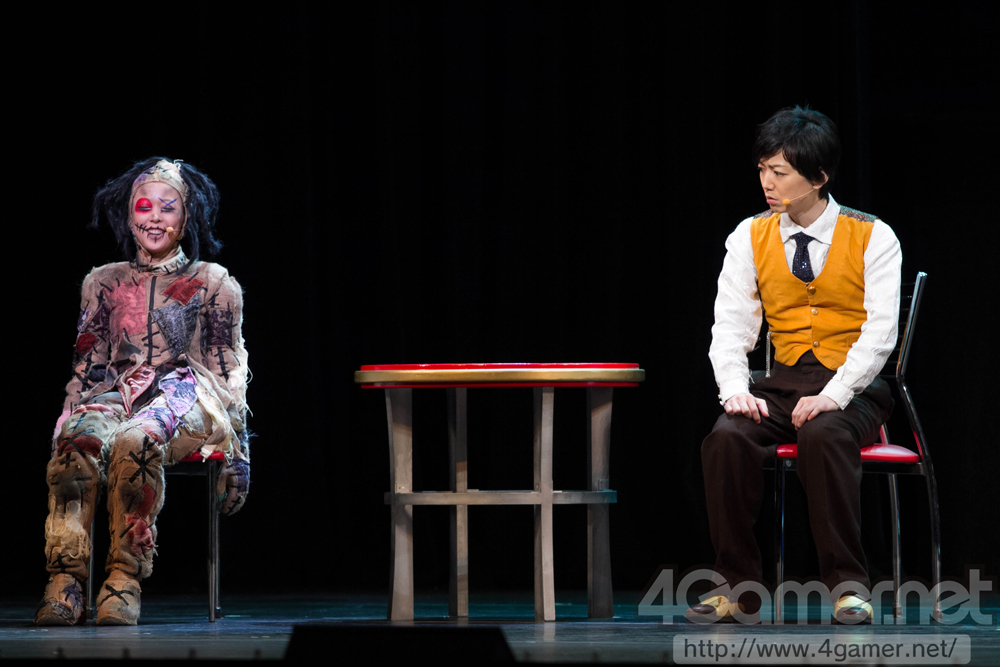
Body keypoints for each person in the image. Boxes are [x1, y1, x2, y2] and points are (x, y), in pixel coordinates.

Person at [688, 106, 901, 624]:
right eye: (763, 169)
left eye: (780, 172)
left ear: (819, 176)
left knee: (824, 435)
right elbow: (730, 324)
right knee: (726, 438)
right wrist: (734, 388)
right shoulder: (749, 235)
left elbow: (880, 333)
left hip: (854, 386)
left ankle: (848, 588)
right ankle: (736, 587)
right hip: (783, 383)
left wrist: (834, 394)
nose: (767, 182)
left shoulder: (873, 235)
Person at [36, 158, 250, 626]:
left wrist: (239, 452)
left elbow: (227, 369)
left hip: (187, 396)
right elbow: (87, 364)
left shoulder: (214, 282)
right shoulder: (103, 282)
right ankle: (65, 581)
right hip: (117, 392)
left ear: (186, 216)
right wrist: (69, 416)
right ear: (130, 216)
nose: (155, 218)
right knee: (76, 442)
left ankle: (123, 579)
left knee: (137, 440)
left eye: (168, 208)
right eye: (144, 206)